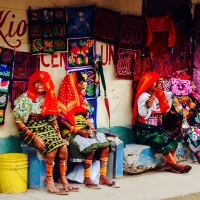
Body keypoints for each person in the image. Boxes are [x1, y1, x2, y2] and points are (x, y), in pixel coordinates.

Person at [12, 71, 79, 195]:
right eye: (36, 82)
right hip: (30, 130)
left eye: (42, 82)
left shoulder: (50, 97)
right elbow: (18, 122)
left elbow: (53, 121)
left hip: (46, 128)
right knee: (52, 147)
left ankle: (63, 179)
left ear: (47, 84)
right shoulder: (26, 98)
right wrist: (35, 137)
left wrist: (59, 136)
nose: (39, 85)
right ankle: (49, 178)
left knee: (63, 146)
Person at [58, 71, 119, 189]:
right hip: (71, 131)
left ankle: (102, 176)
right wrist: (77, 131)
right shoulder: (62, 102)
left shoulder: (82, 99)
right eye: (80, 83)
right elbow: (61, 121)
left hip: (85, 129)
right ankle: (87, 178)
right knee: (90, 146)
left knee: (105, 143)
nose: (82, 86)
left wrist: (91, 128)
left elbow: (87, 117)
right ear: (72, 85)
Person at [132, 71, 192, 174]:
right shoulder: (143, 96)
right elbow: (145, 110)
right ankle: (174, 164)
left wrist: (180, 86)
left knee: (177, 134)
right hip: (145, 131)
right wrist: (154, 94)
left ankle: (169, 164)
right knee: (160, 140)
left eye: (160, 82)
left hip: (157, 129)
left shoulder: (161, 94)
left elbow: (173, 94)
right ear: (149, 83)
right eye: (156, 82)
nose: (159, 84)